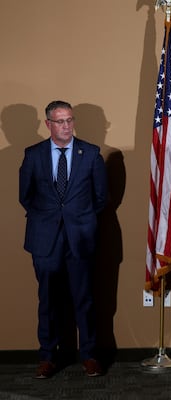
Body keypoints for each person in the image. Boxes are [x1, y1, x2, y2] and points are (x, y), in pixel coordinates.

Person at [19, 100, 108, 379]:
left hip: (80, 238)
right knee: (47, 300)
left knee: (85, 299)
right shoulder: (33, 155)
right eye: (60, 121)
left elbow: (101, 197)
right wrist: (49, 219)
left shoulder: (91, 153)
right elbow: (26, 195)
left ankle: (90, 355)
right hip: (44, 239)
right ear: (48, 124)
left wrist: (78, 220)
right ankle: (47, 357)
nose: (67, 126)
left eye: (70, 120)